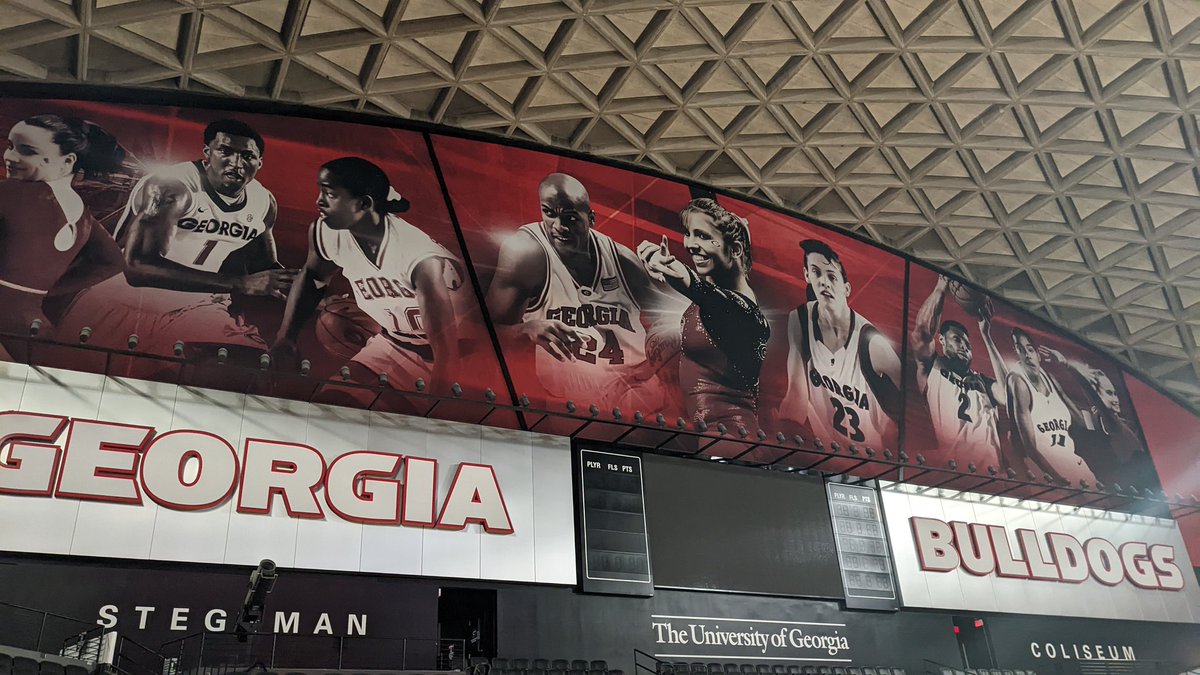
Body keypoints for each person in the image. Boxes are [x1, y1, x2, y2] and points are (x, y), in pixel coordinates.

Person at [60, 119, 295, 355]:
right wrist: (241, 283)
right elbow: (137, 268)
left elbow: (264, 267)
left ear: (259, 162)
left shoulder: (263, 201)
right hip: (122, 301)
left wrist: (304, 285)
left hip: (195, 306)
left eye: (247, 156)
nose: (236, 163)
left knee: (244, 361)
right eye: (225, 151)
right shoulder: (172, 187)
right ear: (207, 153)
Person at [272, 157, 465, 397]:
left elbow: (447, 355)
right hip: (396, 344)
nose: (319, 201)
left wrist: (437, 403)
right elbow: (312, 277)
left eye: (330, 194)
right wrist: (285, 338)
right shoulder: (327, 232)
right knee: (331, 402)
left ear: (363, 203)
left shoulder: (416, 257)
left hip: (463, 354)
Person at [485, 172, 680, 411]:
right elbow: (484, 332)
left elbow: (675, 322)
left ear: (591, 218)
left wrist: (671, 281)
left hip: (638, 396)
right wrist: (527, 329)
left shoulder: (622, 260)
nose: (559, 227)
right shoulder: (526, 253)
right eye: (549, 213)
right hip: (570, 406)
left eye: (570, 218)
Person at [638, 198, 769, 431]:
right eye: (688, 234)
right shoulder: (710, 300)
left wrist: (670, 269)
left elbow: (698, 288)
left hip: (731, 436)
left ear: (735, 250)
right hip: (710, 435)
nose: (690, 244)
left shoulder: (743, 312)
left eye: (703, 236)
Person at [0, 114, 127, 345]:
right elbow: (114, 262)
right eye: (10, 146)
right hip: (33, 327)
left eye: (27, 151)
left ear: (67, 161)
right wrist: (44, 290)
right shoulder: (83, 214)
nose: (9, 157)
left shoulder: (10, 193)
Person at [776, 239, 902, 451]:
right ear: (806, 275)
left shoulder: (872, 342)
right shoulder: (799, 319)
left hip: (872, 455)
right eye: (816, 272)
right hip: (826, 455)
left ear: (847, 288)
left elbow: (913, 404)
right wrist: (781, 435)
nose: (824, 282)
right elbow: (796, 393)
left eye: (832, 276)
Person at [910, 275, 1008, 468]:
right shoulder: (932, 366)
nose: (964, 346)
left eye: (967, 344)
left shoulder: (983, 382)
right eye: (957, 339)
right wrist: (940, 288)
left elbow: (1008, 395)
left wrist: (986, 336)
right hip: (954, 468)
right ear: (942, 340)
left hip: (992, 470)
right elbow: (922, 333)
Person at [1037, 347, 1154, 488]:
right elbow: (1075, 398)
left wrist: (1067, 365)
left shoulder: (1118, 424)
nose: (1115, 399)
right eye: (1109, 393)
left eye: (1114, 393)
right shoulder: (1098, 422)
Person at [1004, 328, 1094, 485]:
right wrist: (1058, 479)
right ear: (1017, 354)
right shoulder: (1018, 382)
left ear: (1038, 355)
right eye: (1020, 349)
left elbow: (1082, 422)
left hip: (1074, 464)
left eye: (1030, 349)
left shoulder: (1050, 379)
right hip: (1046, 472)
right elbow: (1030, 448)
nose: (1027, 355)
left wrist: (1065, 364)